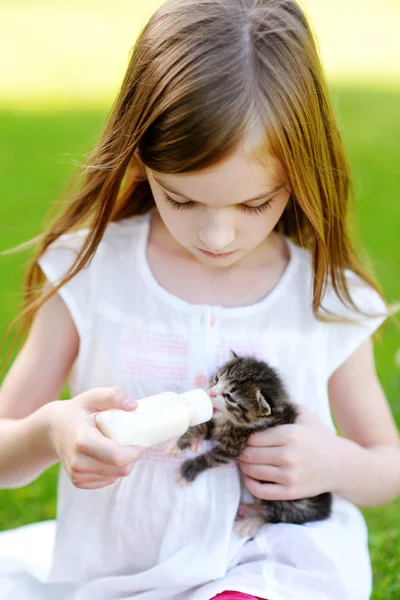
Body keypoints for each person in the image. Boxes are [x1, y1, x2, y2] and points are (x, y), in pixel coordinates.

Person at [0, 0, 398, 598]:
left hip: (273, 567)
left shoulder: (323, 297)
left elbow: (384, 463)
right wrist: (49, 431)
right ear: (140, 161)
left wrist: (333, 462)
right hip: (123, 575)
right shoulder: (94, 273)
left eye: (254, 205)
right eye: (183, 200)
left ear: (302, 174)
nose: (217, 236)